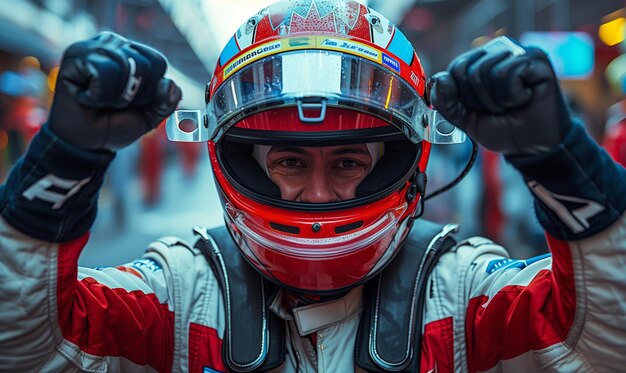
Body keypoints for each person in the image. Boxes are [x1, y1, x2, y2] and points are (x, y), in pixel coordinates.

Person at [1, 0, 625, 372]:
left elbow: (604, 345)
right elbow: (29, 347)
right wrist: (64, 162)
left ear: (402, 162)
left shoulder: (460, 291)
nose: (321, 196)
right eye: (290, 164)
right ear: (237, 162)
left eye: (349, 162)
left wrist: (563, 162)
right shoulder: (181, 290)